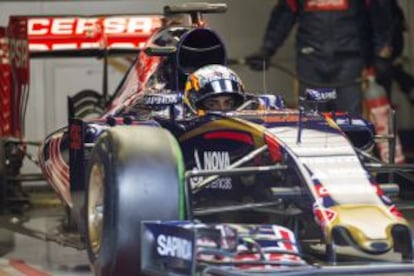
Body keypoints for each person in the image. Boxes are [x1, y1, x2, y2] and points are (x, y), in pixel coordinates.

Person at [245, 0, 395, 116]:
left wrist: (381, 53)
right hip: (310, 63)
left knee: (349, 123)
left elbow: (380, 14)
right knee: (310, 123)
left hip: (350, 63)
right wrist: (267, 49)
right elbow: (284, 14)